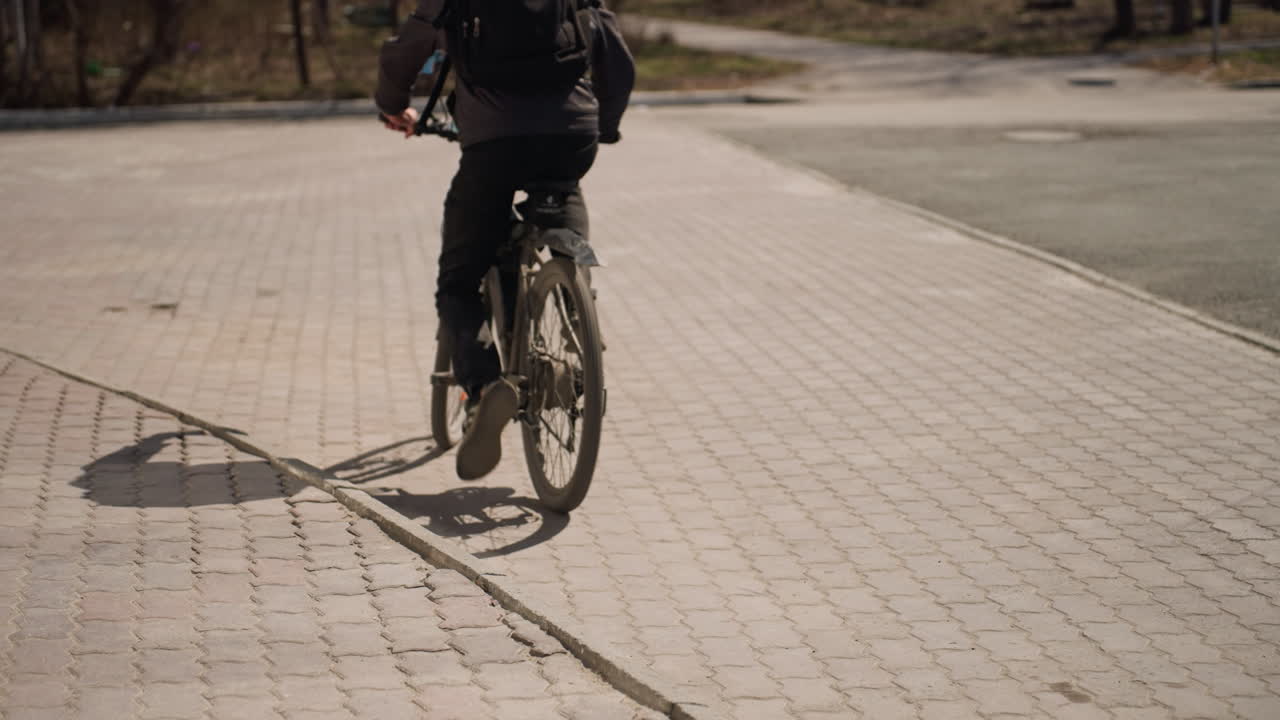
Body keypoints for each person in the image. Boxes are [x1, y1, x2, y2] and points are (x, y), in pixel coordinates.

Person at [375, 0, 635, 480]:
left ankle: (483, 385)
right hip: (572, 138)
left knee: (458, 280)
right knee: (561, 188)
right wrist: (607, 124)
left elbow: (404, 56)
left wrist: (392, 106)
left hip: (494, 144)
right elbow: (616, 59)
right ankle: (573, 303)